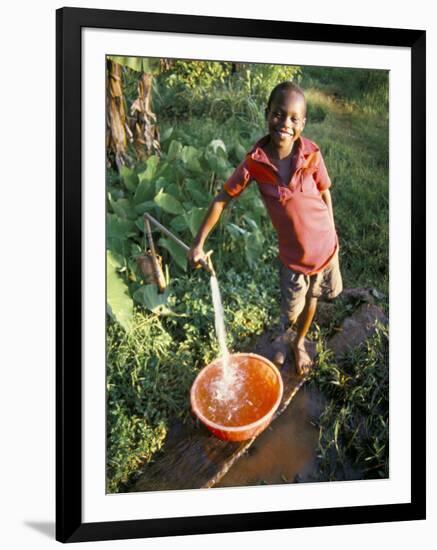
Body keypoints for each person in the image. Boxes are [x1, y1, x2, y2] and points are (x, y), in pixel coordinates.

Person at [188, 81, 342, 376]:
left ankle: (298, 343)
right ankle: (286, 334)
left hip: (324, 248)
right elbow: (222, 199)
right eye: (279, 114)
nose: (285, 123)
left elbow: (325, 192)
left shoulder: (311, 154)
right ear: (267, 112)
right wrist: (198, 242)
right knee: (291, 307)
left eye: (294, 118)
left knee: (314, 298)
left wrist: (332, 230)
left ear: (303, 123)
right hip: (293, 257)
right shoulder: (254, 164)